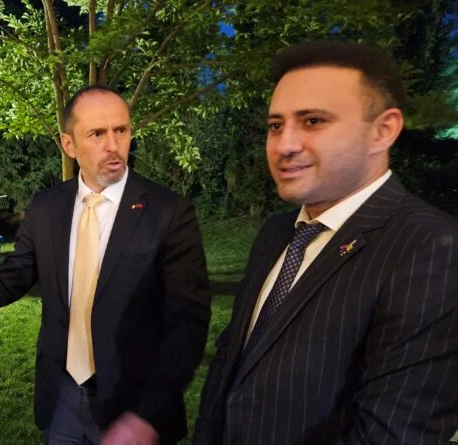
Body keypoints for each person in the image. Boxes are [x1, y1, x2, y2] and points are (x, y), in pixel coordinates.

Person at [0, 85, 212, 444]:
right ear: (69, 144)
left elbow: (188, 322)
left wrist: (147, 416)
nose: (113, 145)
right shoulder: (48, 207)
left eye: (121, 130)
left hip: (133, 407)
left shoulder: (168, 212)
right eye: (97, 134)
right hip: (61, 400)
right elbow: (9, 281)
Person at [193, 41, 458, 445]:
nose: (284, 145)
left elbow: (393, 432)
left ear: (383, 130)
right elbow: (232, 362)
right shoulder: (277, 232)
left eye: (313, 121)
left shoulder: (433, 248)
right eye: (275, 125)